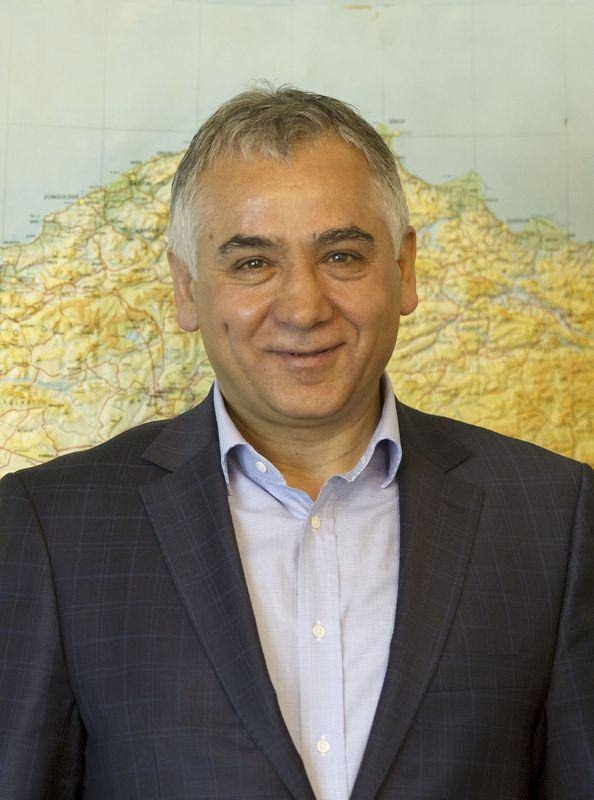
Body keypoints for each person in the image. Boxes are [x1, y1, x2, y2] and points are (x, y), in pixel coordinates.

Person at [0, 86, 592, 800]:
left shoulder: (555, 516)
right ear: (186, 288)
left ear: (404, 270)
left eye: (341, 255)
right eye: (253, 263)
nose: (304, 306)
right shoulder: (52, 527)